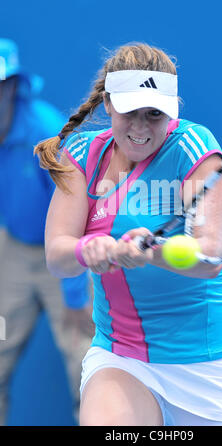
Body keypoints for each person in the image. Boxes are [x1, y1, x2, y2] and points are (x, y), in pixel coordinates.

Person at [34, 43, 222, 426]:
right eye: (129, 112)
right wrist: (88, 247)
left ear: (171, 111)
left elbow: (208, 257)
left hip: (207, 361)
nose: (140, 128)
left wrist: (153, 251)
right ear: (107, 104)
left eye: (154, 115)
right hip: (120, 357)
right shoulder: (81, 155)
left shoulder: (196, 149)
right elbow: (58, 257)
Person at [0, 38, 94, 425]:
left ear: (11, 87)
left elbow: (78, 219)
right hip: (12, 253)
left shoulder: (47, 136)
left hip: (67, 258)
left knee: (87, 368)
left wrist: (76, 296)